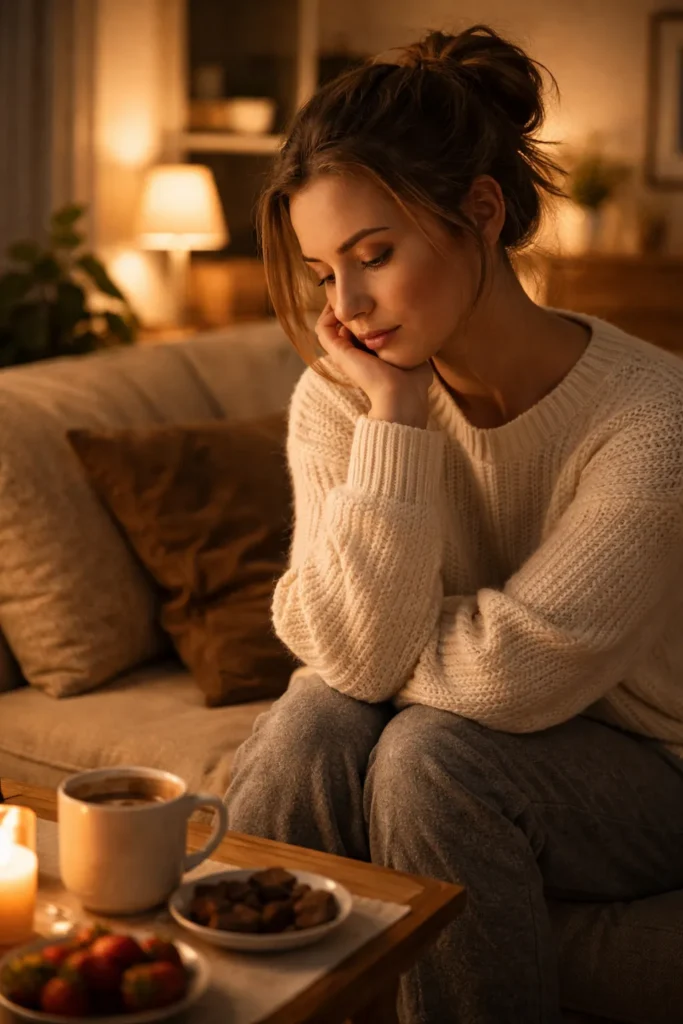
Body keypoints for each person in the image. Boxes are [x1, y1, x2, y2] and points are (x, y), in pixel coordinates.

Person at [225, 24, 683, 1024]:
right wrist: (394, 415)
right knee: (309, 721)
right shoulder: (345, 397)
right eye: (320, 272)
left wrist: (375, 648)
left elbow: (515, 673)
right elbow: (344, 665)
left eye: (372, 255)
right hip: (465, 713)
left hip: (650, 767)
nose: (344, 307)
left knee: (433, 758)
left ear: (478, 212)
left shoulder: (652, 418)